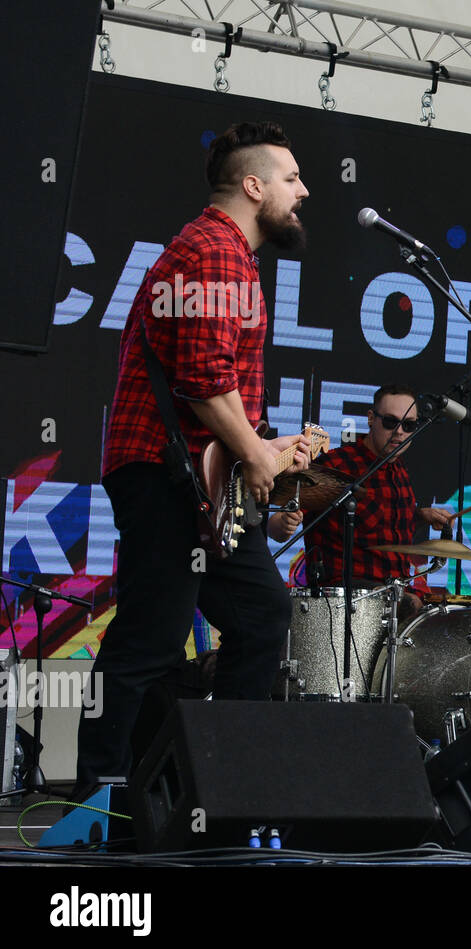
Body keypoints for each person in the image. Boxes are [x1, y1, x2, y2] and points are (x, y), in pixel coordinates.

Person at [75, 121, 311, 793]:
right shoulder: (214, 251)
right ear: (253, 184)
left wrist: (265, 448)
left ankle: (220, 785)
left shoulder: (229, 255)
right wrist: (259, 459)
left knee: (262, 614)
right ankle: (100, 799)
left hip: (194, 479)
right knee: (152, 635)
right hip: (163, 471)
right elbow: (204, 383)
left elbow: (218, 391)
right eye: (292, 179)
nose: (305, 191)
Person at [269, 384, 452, 604]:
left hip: (395, 588)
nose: (400, 431)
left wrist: (421, 516)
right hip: (348, 598)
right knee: (409, 604)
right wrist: (284, 523)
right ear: (370, 419)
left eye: (409, 425)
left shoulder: (398, 469)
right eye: (391, 422)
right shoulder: (336, 464)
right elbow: (276, 528)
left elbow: (379, 523)